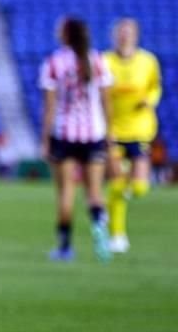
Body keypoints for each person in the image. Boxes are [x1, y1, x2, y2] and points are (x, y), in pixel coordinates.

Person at [39, 17, 113, 263]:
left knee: (65, 192)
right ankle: (100, 229)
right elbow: (106, 101)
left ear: (66, 35)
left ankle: (65, 247)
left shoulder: (54, 63)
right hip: (94, 134)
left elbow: (49, 107)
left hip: (64, 135)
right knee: (94, 191)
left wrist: (45, 139)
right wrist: (110, 134)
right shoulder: (97, 60)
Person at [102, 18, 162, 253]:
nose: (125, 36)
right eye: (121, 32)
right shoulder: (105, 61)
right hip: (114, 129)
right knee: (117, 181)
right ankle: (117, 236)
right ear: (115, 35)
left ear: (136, 35)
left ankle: (107, 205)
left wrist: (150, 100)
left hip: (140, 129)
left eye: (129, 32)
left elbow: (155, 87)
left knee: (138, 187)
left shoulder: (148, 61)